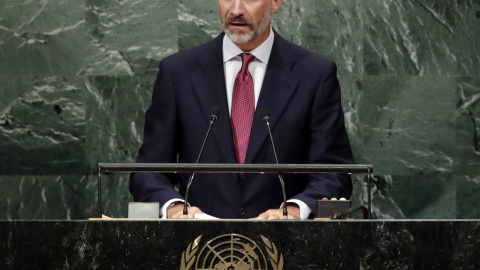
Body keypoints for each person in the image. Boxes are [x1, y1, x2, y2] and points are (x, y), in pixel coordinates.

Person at [129, 0, 353, 220]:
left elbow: (333, 172)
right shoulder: (178, 73)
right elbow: (149, 171)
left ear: (275, 2)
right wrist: (175, 208)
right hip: (198, 246)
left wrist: (294, 211)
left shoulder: (314, 74)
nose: (235, 10)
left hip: (286, 243)